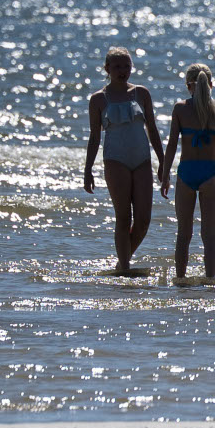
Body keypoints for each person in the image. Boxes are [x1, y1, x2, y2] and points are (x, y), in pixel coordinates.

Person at [82, 47, 166, 275]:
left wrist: (163, 162)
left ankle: (122, 264)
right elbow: (94, 137)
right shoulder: (98, 99)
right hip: (115, 160)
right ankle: (126, 269)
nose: (122, 70)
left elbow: (153, 130)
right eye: (117, 66)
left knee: (143, 220)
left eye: (126, 66)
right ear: (107, 69)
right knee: (123, 217)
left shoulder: (141, 93)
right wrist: (88, 170)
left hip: (142, 160)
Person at [160, 63, 215, 285]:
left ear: (188, 86)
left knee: (183, 234)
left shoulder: (180, 109)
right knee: (209, 234)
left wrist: (165, 176)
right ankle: (210, 281)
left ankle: (180, 281)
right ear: (210, 84)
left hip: (186, 172)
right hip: (209, 173)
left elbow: (172, 145)